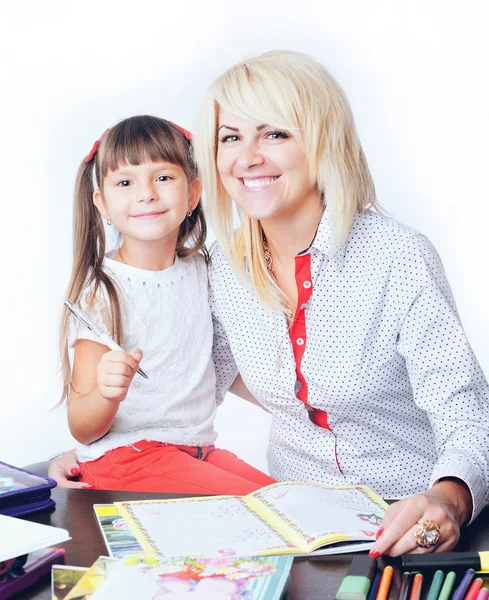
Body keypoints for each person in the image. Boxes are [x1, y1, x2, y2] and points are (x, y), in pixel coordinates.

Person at [51, 52, 489, 557]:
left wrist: (448, 498)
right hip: (292, 523)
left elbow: (468, 415)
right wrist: (102, 447)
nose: (247, 157)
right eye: (231, 137)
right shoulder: (223, 269)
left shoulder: (397, 255)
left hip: (410, 512)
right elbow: (189, 380)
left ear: (323, 141)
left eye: (275, 134)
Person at [57, 114, 275, 495]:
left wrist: (291, 406)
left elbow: (225, 364)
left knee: (289, 500)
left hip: (197, 451)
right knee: (261, 509)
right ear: (102, 204)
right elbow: (82, 426)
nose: (146, 194)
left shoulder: (202, 272)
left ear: (192, 194)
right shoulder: (102, 291)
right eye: (125, 182)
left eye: (163, 177)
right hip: (127, 458)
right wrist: (107, 394)